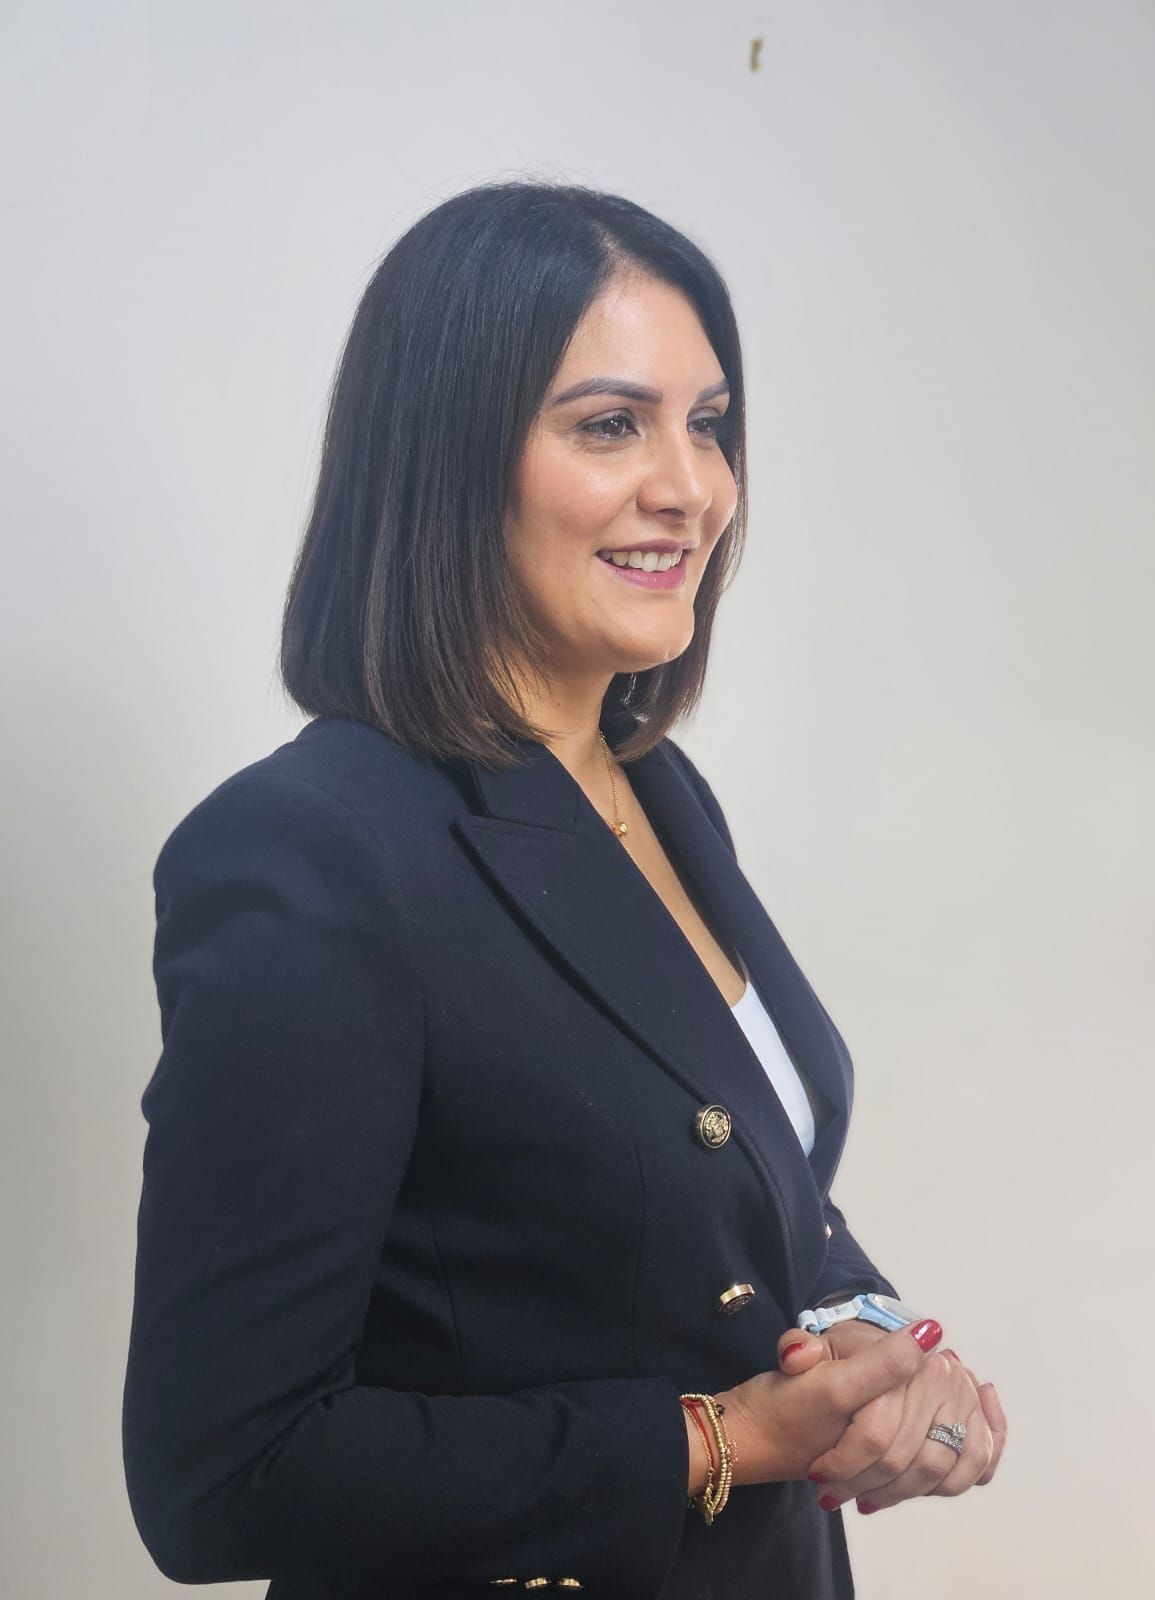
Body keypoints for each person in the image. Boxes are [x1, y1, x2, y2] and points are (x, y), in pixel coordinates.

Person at [122, 180, 1007, 1599]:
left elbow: (728, 1186)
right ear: (448, 457)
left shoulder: (655, 788)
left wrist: (874, 1341)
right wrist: (719, 1440)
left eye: (708, 423)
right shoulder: (313, 850)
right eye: (609, 425)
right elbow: (225, 1475)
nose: (689, 486)